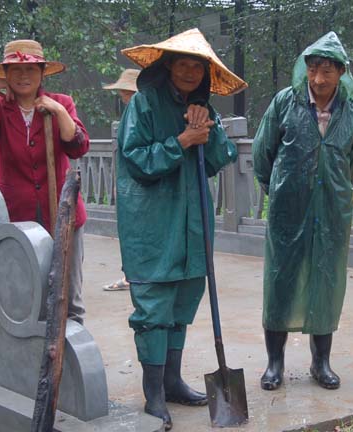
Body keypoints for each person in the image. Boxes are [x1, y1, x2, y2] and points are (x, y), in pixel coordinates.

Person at [117, 29, 246, 429]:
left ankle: (172, 381)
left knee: (182, 304)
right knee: (154, 307)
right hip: (153, 224)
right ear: (168, 65)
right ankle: (153, 392)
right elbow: (137, 161)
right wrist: (183, 140)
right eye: (183, 63)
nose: (190, 71)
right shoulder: (143, 105)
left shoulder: (202, 107)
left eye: (198, 65)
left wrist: (209, 127)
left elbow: (219, 159)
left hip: (193, 224)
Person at [252, 31, 353, 391]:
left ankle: (321, 362)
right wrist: (281, 191)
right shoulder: (285, 102)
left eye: (327, 71)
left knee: (326, 282)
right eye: (313, 69)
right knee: (280, 281)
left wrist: (332, 190)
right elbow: (262, 153)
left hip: (331, 212)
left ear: (341, 72)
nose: (318, 79)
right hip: (289, 211)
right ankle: (274, 364)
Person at [0, 39, 89, 324]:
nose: (23, 76)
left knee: (69, 298)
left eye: (31, 70)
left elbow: (78, 147)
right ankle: (33, 361)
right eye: (15, 70)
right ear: (5, 74)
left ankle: (69, 362)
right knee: (28, 293)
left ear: (42, 73)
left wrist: (56, 111)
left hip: (63, 213)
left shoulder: (62, 103)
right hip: (18, 216)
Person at [101, 68, 140, 292]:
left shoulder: (139, 114)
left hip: (138, 190)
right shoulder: (130, 114)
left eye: (126, 92)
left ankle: (132, 277)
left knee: (136, 233)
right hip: (129, 186)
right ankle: (130, 275)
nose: (123, 96)